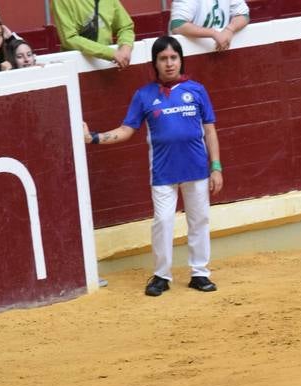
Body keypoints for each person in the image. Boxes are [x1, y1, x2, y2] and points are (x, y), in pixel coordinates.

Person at [82, 36, 223, 296]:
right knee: (163, 221)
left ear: (181, 60)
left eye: (173, 58)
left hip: (197, 169)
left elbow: (210, 131)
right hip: (163, 172)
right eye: (163, 59)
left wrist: (216, 167)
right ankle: (161, 275)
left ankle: (200, 273)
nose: (169, 64)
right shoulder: (144, 95)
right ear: (155, 63)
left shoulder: (197, 90)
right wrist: (95, 138)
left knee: (199, 221)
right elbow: (126, 130)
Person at [53, 0, 135, 68]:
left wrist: (126, 46)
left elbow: (125, 27)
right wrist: (111, 53)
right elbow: (69, 38)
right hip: (77, 65)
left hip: (107, 65)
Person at [169, 0, 249, 52]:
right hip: (190, 51)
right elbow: (177, 25)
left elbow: (244, 15)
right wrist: (213, 33)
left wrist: (230, 29)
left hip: (219, 51)